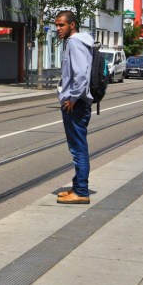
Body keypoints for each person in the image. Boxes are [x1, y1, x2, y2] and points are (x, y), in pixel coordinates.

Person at [54, 10, 94, 205]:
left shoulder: (75, 42)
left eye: (61, 25)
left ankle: (81, 191)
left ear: (72, 25)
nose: (58, 29)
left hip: (76, 104)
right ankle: (77, 185)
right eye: (56, 25)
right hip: (78, 102)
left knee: (78, 149)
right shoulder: (80, 41)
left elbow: (80, 75)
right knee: (77, 147)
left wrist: (73, 98)